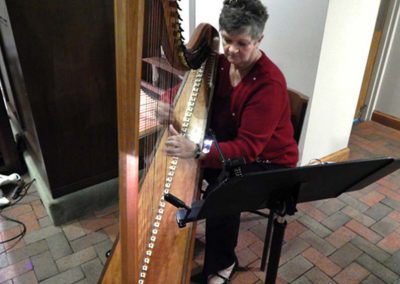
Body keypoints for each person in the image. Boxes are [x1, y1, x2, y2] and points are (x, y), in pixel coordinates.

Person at [159, 0, 299, 283]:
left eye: (242, 43)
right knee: (183, 162)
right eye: (226, 40)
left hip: (269, 164)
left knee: (224, 188)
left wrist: (199, 151)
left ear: (259, 39)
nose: (232, 50)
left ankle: (223, 264)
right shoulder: (220, 64)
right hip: (233, 148)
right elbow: (190, 84)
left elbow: (247, 149)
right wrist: (168, 103)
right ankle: (175, 229)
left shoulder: (268, 85)